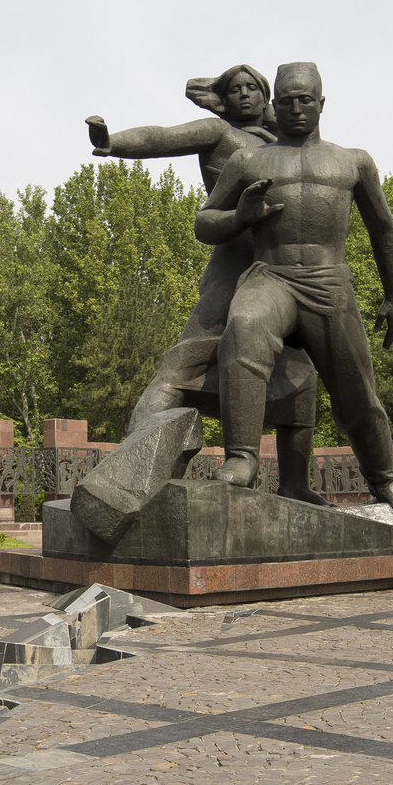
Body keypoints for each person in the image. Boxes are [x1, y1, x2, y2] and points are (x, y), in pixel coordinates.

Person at [87, 66, 325, 505]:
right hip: (233, 263)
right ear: (224, 99)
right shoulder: (219, 134)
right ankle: (134, 460)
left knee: (299, 374)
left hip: (286, 274)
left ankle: (294, 482)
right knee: (185, 360)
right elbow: (162, 137)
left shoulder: (284, 143)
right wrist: (112, 142)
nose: (245, 95)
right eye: (235, 90)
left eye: (253, 87)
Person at [195, 62, 393, 513]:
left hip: (328, 282)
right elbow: (205, 222)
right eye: (286, 101)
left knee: (356, 385)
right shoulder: (248, 160)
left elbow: (385, 230)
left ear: (322, 103)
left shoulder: (353, 161)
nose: (296, 108)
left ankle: (386, 479)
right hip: (270, 275)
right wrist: (241, 217)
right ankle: (241, 459)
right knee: (244, 329)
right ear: (273, 104)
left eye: (305, 100)